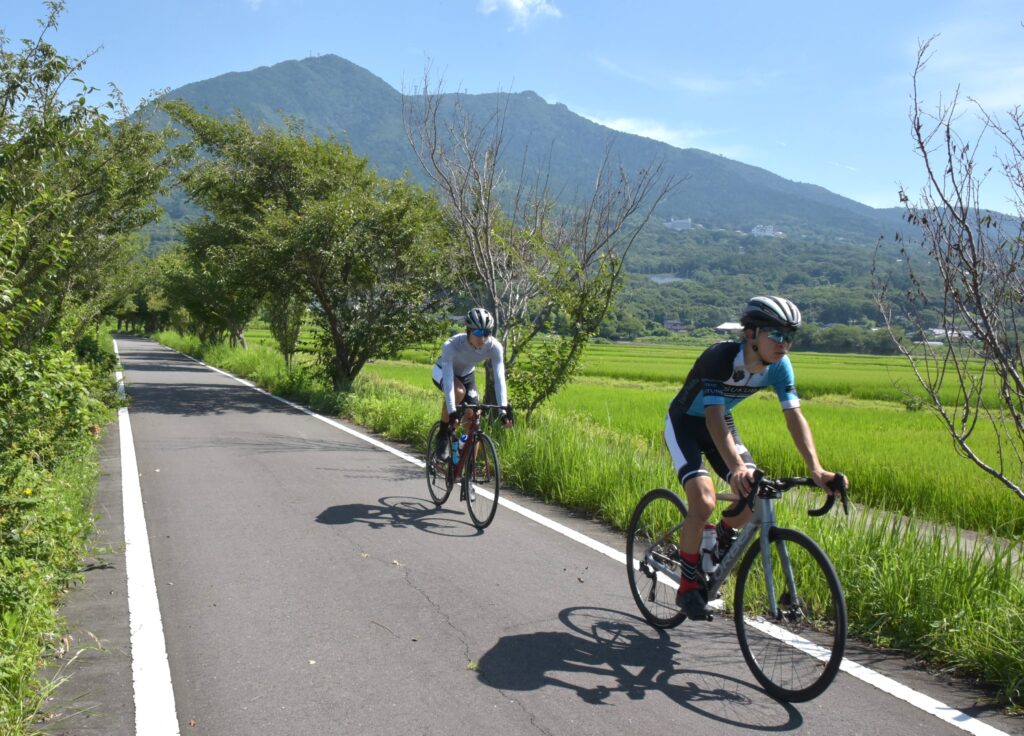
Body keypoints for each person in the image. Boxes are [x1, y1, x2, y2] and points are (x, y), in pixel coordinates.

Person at [664, 296, 843, 621]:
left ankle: (719, 538)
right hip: (686, 424)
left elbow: (794, 417)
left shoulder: (780, 367)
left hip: (721, 426)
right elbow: (714, 415)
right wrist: (735, 469)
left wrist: (816, 470)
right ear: (750, 333)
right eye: (776, 334)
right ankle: (688, 585)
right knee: (703, 501)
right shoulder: (720, 357)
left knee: (756, 492)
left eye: (790, 336)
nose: (784, 343)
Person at [433, 307, 513, 457]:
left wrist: (503, 411)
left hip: (467, 375)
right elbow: (449, 381)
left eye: (486, 333)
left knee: (473, 423)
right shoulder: (451, 345)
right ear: (468, 331)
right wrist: (452, 412)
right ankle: (443, 434)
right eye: (477, 333)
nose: (482, 338)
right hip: (443, 372)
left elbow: (499, 379)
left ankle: (468, 474)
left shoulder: (494, 347)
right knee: (458, 391)